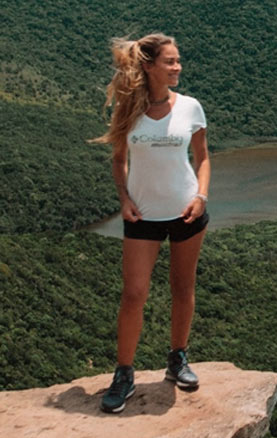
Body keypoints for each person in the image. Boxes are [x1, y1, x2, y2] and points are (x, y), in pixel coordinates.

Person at [90, 33, 210, 413]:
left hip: (186, 211)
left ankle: (177, 358)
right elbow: (118, 160)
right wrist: (124, 199)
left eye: (178, 61)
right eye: (169, 62)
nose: (177, 67)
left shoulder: (191, 107)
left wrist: (200, 197)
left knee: (182, 287)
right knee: (133, 295)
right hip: (142, 214)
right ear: (148, 66)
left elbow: (203, 158)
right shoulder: (128, 109)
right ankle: (124, 373)